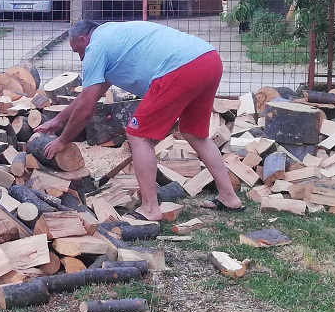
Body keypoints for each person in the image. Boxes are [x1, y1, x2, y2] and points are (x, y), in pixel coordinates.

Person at [35, 19, 244, 221]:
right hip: (208, 59)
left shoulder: (95, 49)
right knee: (195, 134)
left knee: (138, 135)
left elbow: (86, 110)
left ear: (82, 39)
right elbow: (89, 96)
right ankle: (229, 197)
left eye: (77, 51)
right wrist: (58, 120)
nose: (81, 57)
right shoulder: (113, 36)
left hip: (179, 68)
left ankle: (150, 208)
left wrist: (62, 141)